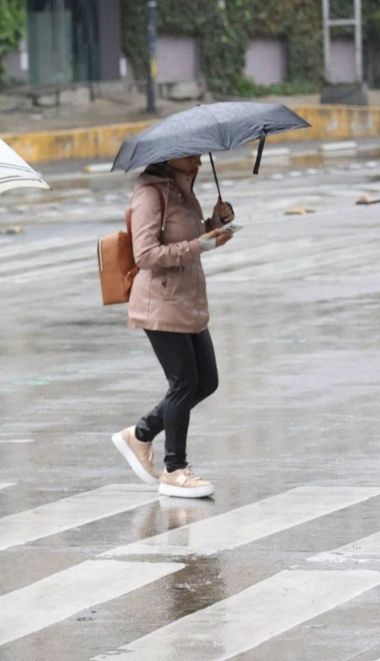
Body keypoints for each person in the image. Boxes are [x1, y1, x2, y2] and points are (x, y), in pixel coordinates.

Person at [110, 154, 234, 499]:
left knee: (206, 381)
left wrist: (214, 223)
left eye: (197, 154)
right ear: (169, 157)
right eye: (189, 155)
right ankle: (175, 469)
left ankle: (140, 434)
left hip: (188, 300)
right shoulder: (151, 193)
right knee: (184, 383)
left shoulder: (181, 190)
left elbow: (186, 237)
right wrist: (202, 244)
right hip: (160, 302)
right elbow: (146, 255)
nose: (196, 161)